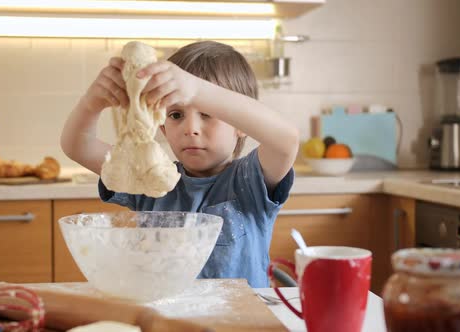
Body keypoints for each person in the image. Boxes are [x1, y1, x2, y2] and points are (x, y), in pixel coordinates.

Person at [61, 40, 299, 288]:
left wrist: (197, 90)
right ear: (162, 124)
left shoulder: (249, 181)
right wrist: (92, 102)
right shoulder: (149, 178)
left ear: (240, 124)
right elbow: (77, 146)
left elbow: (286, 141)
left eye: (207, 114)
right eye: (176, 115)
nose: (191, 129)